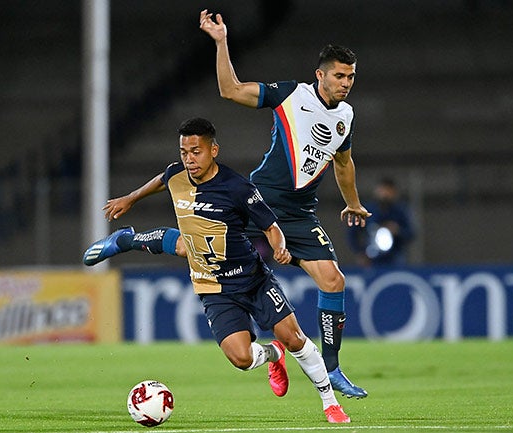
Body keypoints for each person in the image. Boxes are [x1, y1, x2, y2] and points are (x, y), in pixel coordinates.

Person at [84, 118, 351, 423]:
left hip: (252, 280)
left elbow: (270, 224)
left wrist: (278, 246)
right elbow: (163, 178)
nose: (189, 158)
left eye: (195, 151)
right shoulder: (177, 174)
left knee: (294, 338)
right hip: (212, 287)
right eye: (184, 152)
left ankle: (330, 403)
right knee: (242, 358)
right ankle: (274, 355)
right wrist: (131, 198)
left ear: (214, 150)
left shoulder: (237, 187)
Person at [197, 9, 370, 399]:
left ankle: (332, 367)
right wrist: (222, 42)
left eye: (351, 77)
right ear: (320, 75)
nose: (346, 83)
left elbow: (343, 161)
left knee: (334, 280)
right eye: (340, 76)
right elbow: (231, 90)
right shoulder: (292, 94)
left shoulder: (347, 115)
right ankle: (130, 240)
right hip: (258, 201)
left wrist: (354, 203)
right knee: (200, 233)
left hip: (297, 214)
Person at [347, 176, 415, 267]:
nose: (385, 194)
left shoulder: (401, 211)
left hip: (395, 257)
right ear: (377, 191)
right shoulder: (366, 210)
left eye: (389, 191)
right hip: (371, 257)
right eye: (383, 190)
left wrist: (398, 230)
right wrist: (360, 252)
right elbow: (352, 233)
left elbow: (411, 233)